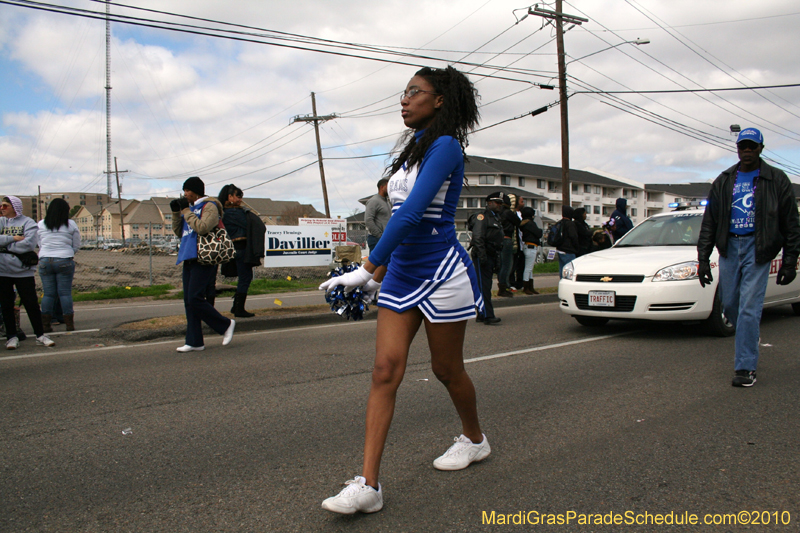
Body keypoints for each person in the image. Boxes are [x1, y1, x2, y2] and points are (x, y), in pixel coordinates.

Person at [320, 66, 488, 514]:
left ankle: (474, 438)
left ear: (439, 101)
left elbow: (413, 214)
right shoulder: (412, 149)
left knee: (447, 370)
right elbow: (398, 216)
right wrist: (378, 273)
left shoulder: (447, 146)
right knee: (384, 372)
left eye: (415, 92)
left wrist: (366, 266)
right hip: (402, 271)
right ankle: (368, 485)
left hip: (442, 270)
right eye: (404, 92)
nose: (404, 99)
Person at [697, 127, 800, 387]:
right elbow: (710, 222)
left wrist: (789, 262)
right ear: (737, 148)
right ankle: (749, 334)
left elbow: (791, 223)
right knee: (730, 304)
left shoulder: (776, 180)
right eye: (742, 146)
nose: (746, 150)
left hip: (759, 248)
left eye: (752, 146)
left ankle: (745, 368)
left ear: (761, 149)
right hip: (729, 248)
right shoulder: (724, 180)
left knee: (748, 310)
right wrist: (702, 259)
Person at [171, 177, 236, 353]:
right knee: (189, 301)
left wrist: (186, 210)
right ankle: (194, 341)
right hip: (189, 256)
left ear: (197, 191)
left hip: (204, 257)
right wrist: (177, 213)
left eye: (188, 191)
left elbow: (202, 227)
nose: (185, 194)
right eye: (184, 191)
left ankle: (225, 324)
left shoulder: (210, 206)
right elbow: (180, 232)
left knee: (195, 298)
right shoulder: (190, 209)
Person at [0, 196, 55, 349]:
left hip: (23, 271)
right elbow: (19, 243)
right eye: (1, 206)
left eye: (5, 206)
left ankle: (40, 335)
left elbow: (29, 244)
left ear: (14, 207)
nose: (2, 208)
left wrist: (5, 246)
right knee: (6, 304)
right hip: (2, 271)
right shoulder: (1, 222)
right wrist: (12, 238)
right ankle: (11, 336)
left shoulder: (28, 223)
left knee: (31, 303)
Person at [217, 184, 266, 318]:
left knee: (244, 277)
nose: (240, 200)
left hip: (233, 248)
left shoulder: (223, 212)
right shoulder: (235, 213)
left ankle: (236, 306)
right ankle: (239, 308)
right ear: (230, 197)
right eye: (238, 197)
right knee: (245, 277)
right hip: (241, 248)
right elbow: (255, 224)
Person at [37, 198, 81, 332]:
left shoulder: (41, 224)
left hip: (45, 259)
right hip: (64, 259)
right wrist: (68, 252)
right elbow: (76, 244)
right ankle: (69, 324)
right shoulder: (71, 224)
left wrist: (46, 252)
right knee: (65, 293)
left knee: (49, 294)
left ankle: (45, 324)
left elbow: (39, 243)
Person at [470, 193, 505, 325]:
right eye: (497, 203)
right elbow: (478, 237)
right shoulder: (482, 217)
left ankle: (481, 313)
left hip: (492, 253)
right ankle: (487, 315)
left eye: (501, 203)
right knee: (484, 285)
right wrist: (482, 256)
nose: (499, 205)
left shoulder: (496, 218)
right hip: (482, 254)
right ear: (489, 203)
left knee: (486, 285)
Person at [498, 192, 518, 297]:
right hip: (507, 239)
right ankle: (503, 286)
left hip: (498, 240)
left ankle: (502, 285)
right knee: (507, 265)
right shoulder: (508, 213)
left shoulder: (497, 213)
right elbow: (518, 222)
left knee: (501, 265)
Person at [519, 206, 542, 295]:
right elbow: (538, 233)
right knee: (528, 268)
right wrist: (540, 230)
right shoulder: (530, 224)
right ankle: (526, 287)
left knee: (529, 268)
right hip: (531, 247)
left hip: (527, 246)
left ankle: (530, 286)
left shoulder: (524, 223)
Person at [365, 178, 391, 252]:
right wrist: (379, 235)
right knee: (375, 263)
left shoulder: (387, 202)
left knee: (386, 263)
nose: (390, 189)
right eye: (388, 186)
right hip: (376, 239)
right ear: (381, 187)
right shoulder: (374, 201)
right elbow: (368, 220)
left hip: (385, 239)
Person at [556, 206, 579, 279]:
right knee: (570, 269)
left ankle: (562, 281)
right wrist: (577, 247)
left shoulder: (559, 223)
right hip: (569, 250)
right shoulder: (570, 224)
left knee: (562, 269)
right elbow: (573, 236)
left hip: (560, 249)